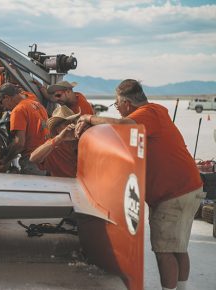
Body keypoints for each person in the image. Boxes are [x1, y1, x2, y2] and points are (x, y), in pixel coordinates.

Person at [74, 79, 204, 290]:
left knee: (164, 251)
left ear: (127, 103)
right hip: (187, 186)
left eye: (117, 104)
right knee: (178, 248)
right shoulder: (155, 112)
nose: (117, 109)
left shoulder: (148, 113)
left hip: (173, 194)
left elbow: (123, 125)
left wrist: (89, 117)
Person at [0, 83, 49, 175]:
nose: (4, 108)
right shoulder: (36, 104)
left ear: (7, 97)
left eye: (1, 103)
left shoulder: (18, 110)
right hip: (46, 157)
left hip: (32, 160)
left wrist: (5, 160)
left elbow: (19, 143)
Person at [29, 105, 79, 177]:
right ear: (57, 129)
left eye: (73, 122)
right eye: (66, 123)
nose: (71, 126)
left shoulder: (83, 139)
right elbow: (33, 158)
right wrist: (59, 138)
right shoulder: (53, 145)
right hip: (61, 185)